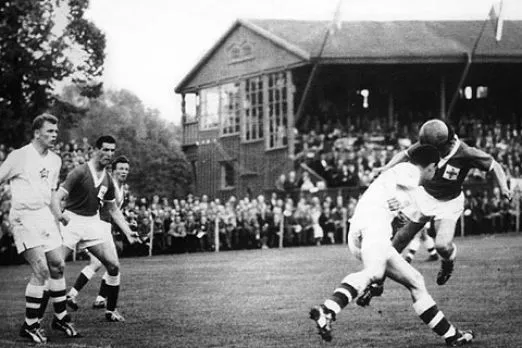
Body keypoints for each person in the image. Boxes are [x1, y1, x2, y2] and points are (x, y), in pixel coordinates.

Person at [309, 144, 474, 346]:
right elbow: (394, 182)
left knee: (416, 281)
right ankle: (328, 309)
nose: (436, 173)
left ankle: (452, 336)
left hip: (364, 230)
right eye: (436, 168)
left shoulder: (408, 182)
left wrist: (397, 207)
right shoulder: (410, 172)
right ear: (431, 166)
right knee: (374, 272)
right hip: (372, 226)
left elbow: (395, 199)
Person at [357, 119, 511, 307]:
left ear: (447, 143)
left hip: (448, 202)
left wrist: (503, 187)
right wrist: (385, 168)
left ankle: (448, 261)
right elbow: (405, 154)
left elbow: (494, 165)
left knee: (442, 246)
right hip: (423, 196)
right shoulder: (430, 143)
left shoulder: (466, 153)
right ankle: (375, 285)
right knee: (397, 242)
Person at [0, 114, 79, 343]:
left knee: (58, 265)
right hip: (24, 216)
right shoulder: (19, 156)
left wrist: (59, 215)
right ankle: (30, 325)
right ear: (37, 133)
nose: (55, 135)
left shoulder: (55, 160)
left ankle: (61, 317)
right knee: (41, 269)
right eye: (50, 131)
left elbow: (51, 193)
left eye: (56, 132)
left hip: (45, 216)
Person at [53, 136, 139, 323]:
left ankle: (110, 310)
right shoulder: (80, 172)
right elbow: (57, 197)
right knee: (56, 267)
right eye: (105, 150)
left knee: (114, 266)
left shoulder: (108, 179)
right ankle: (47, 317)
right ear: (95, 149)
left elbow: (112, 208)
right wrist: (60, 215)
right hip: (72, 221)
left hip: (93, 223)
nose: (108, 154)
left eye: (112, 151)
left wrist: (127, 231)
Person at [66, 155, 133, 310]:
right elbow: (104, 208)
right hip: (96, 226)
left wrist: (127, 225)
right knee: (108, 264)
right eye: (121, 168)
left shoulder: (121, 188)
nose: (124, 172)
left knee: (101, 264)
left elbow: (116, 211)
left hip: (104, 226)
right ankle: (98, 300)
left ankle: (83, 296)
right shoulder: (109, 184)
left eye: (126, 169)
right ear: (113, 170)